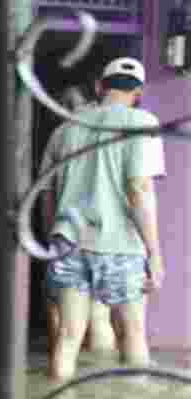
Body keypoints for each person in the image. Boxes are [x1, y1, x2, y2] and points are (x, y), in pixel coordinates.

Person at [40, 58, 166, 382]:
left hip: (69, 242)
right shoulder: (142, 123)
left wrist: (52, 239)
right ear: (138, 92)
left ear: (99, 86)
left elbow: (46, 194)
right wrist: (154, 254)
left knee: (68, 336)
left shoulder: (64, 130)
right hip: (121, 245)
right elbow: (139, 188)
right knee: (133, 334)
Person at [42, 85, 118, 357]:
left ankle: (61, 384)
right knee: (100, 318)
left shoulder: (60, 134)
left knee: (63, 323)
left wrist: (49, 233)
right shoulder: (116, 128)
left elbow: (46, 193)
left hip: (68, 234)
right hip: (108, 234)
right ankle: (103, 385)